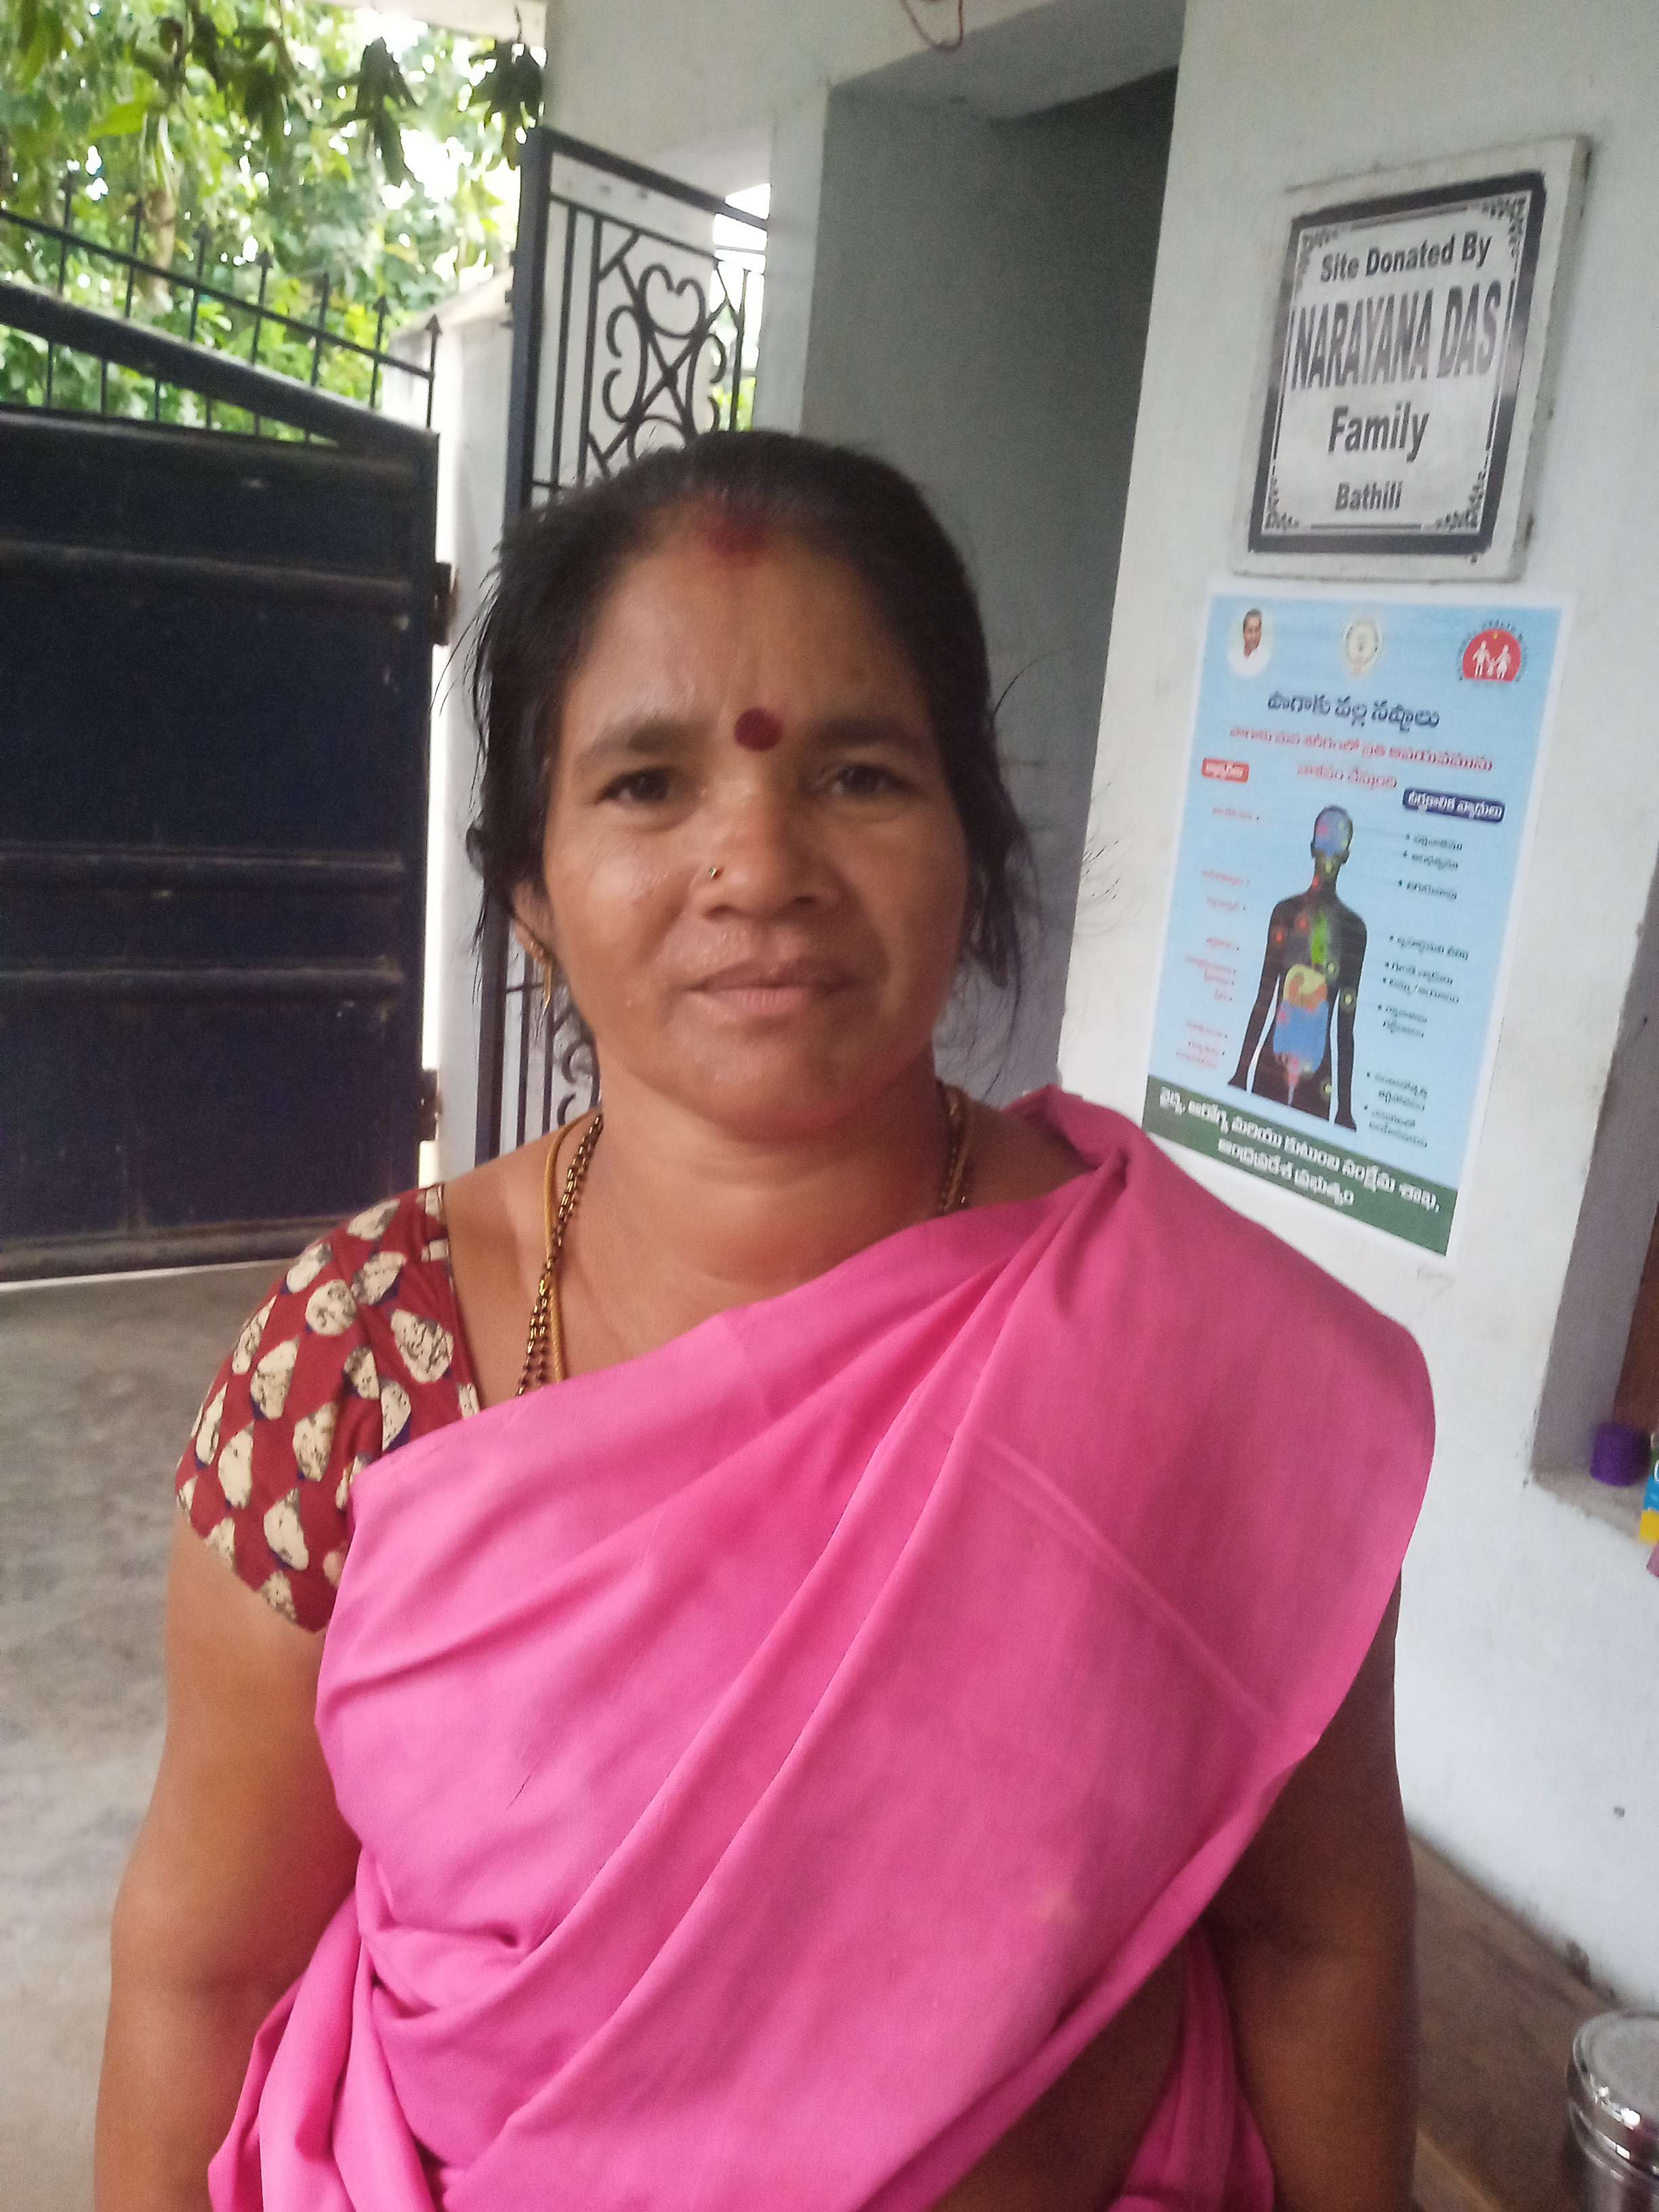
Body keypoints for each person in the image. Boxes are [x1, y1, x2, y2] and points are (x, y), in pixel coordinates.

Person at [97, 432, 1431, 2212]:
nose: (759, 863)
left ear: (973, 843)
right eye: (647, 784)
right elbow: (207, 1973)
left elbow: (1314, 1938)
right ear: (531, 893)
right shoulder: (356, 1365)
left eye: (860, 776)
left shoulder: (1201, 1353)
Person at [1230, 805, 1367, 1128]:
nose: (1329, 858)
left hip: (1314, 1071)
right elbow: (1265, 996)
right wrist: (1241, 1071)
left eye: (1334, 849)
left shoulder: (1352, 930)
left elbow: (1345, 1024)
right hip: (1275, 1063)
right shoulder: (1288, 914)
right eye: (1326, 848)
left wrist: (1345, 1108)